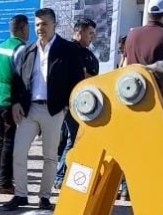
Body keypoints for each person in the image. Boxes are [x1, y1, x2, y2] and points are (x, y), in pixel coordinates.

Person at [3, 8, 84, 211]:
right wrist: (15, 103)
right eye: (37, 24)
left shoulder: (67, 49)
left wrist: (68, 105)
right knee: (19, 152)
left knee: (50, 155)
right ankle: (21, 195)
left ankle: (44, 197)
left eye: (45, 24)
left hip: (54, 110)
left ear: (54, 25)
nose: (40, 28)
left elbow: (77, 80)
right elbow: (17, 80)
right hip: (30, 110)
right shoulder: (28, 50)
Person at [54, 18, 97, 189]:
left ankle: (65, 175)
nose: (92, 37)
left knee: (75, 139)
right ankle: (60, 176)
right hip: (71, 104)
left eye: (93, 34)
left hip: (85, 105)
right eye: (89, 33)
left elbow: (90, 76)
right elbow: (78, 77)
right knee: (73, 139)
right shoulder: (69, 51)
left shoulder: (88, 54)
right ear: (79, 32)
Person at [0, 14, 29, 195]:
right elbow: (19, 77)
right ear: (23, 28)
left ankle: (2, 177)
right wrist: (18, 102)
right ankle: (5, 182)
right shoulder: (20, 48)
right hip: (10, 101)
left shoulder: (0, 47)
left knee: (1, 141)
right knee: (9, 143)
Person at [123, 0, 163, 66]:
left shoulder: (132, 34)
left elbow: (125, 63)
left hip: (130, 75)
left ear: (149, 14)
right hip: (155, 76)